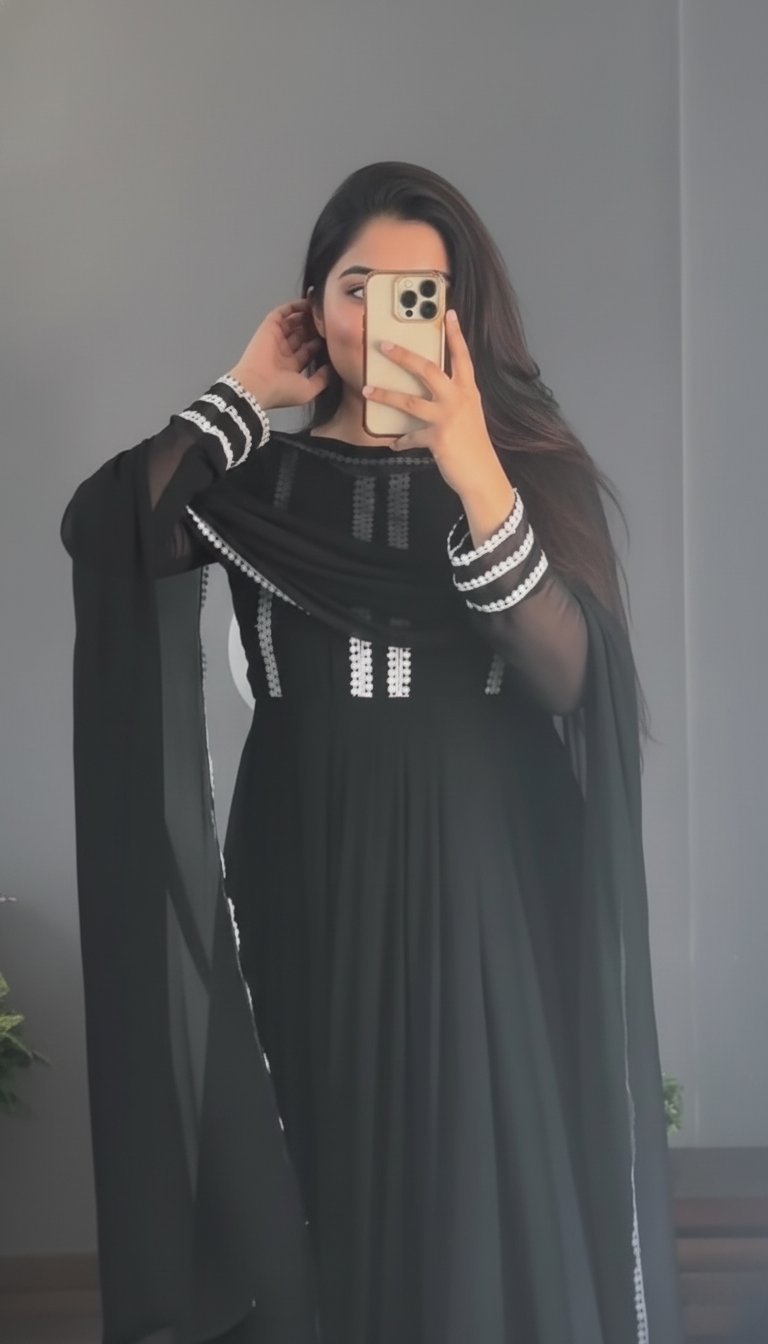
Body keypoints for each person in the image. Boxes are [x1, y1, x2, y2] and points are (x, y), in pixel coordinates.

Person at [61, 161, 684, 1344]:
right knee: (316, 1184)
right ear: (312, 302)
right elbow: (103, 530)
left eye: (416, 292)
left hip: (485, 894)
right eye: (356, 287)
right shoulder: (258, 482)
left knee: (472, 1197)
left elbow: (571, 677)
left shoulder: (524, 475)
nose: (380, 317)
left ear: (456, 312)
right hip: (304, 873)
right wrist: (245, 392)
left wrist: (474, 466)